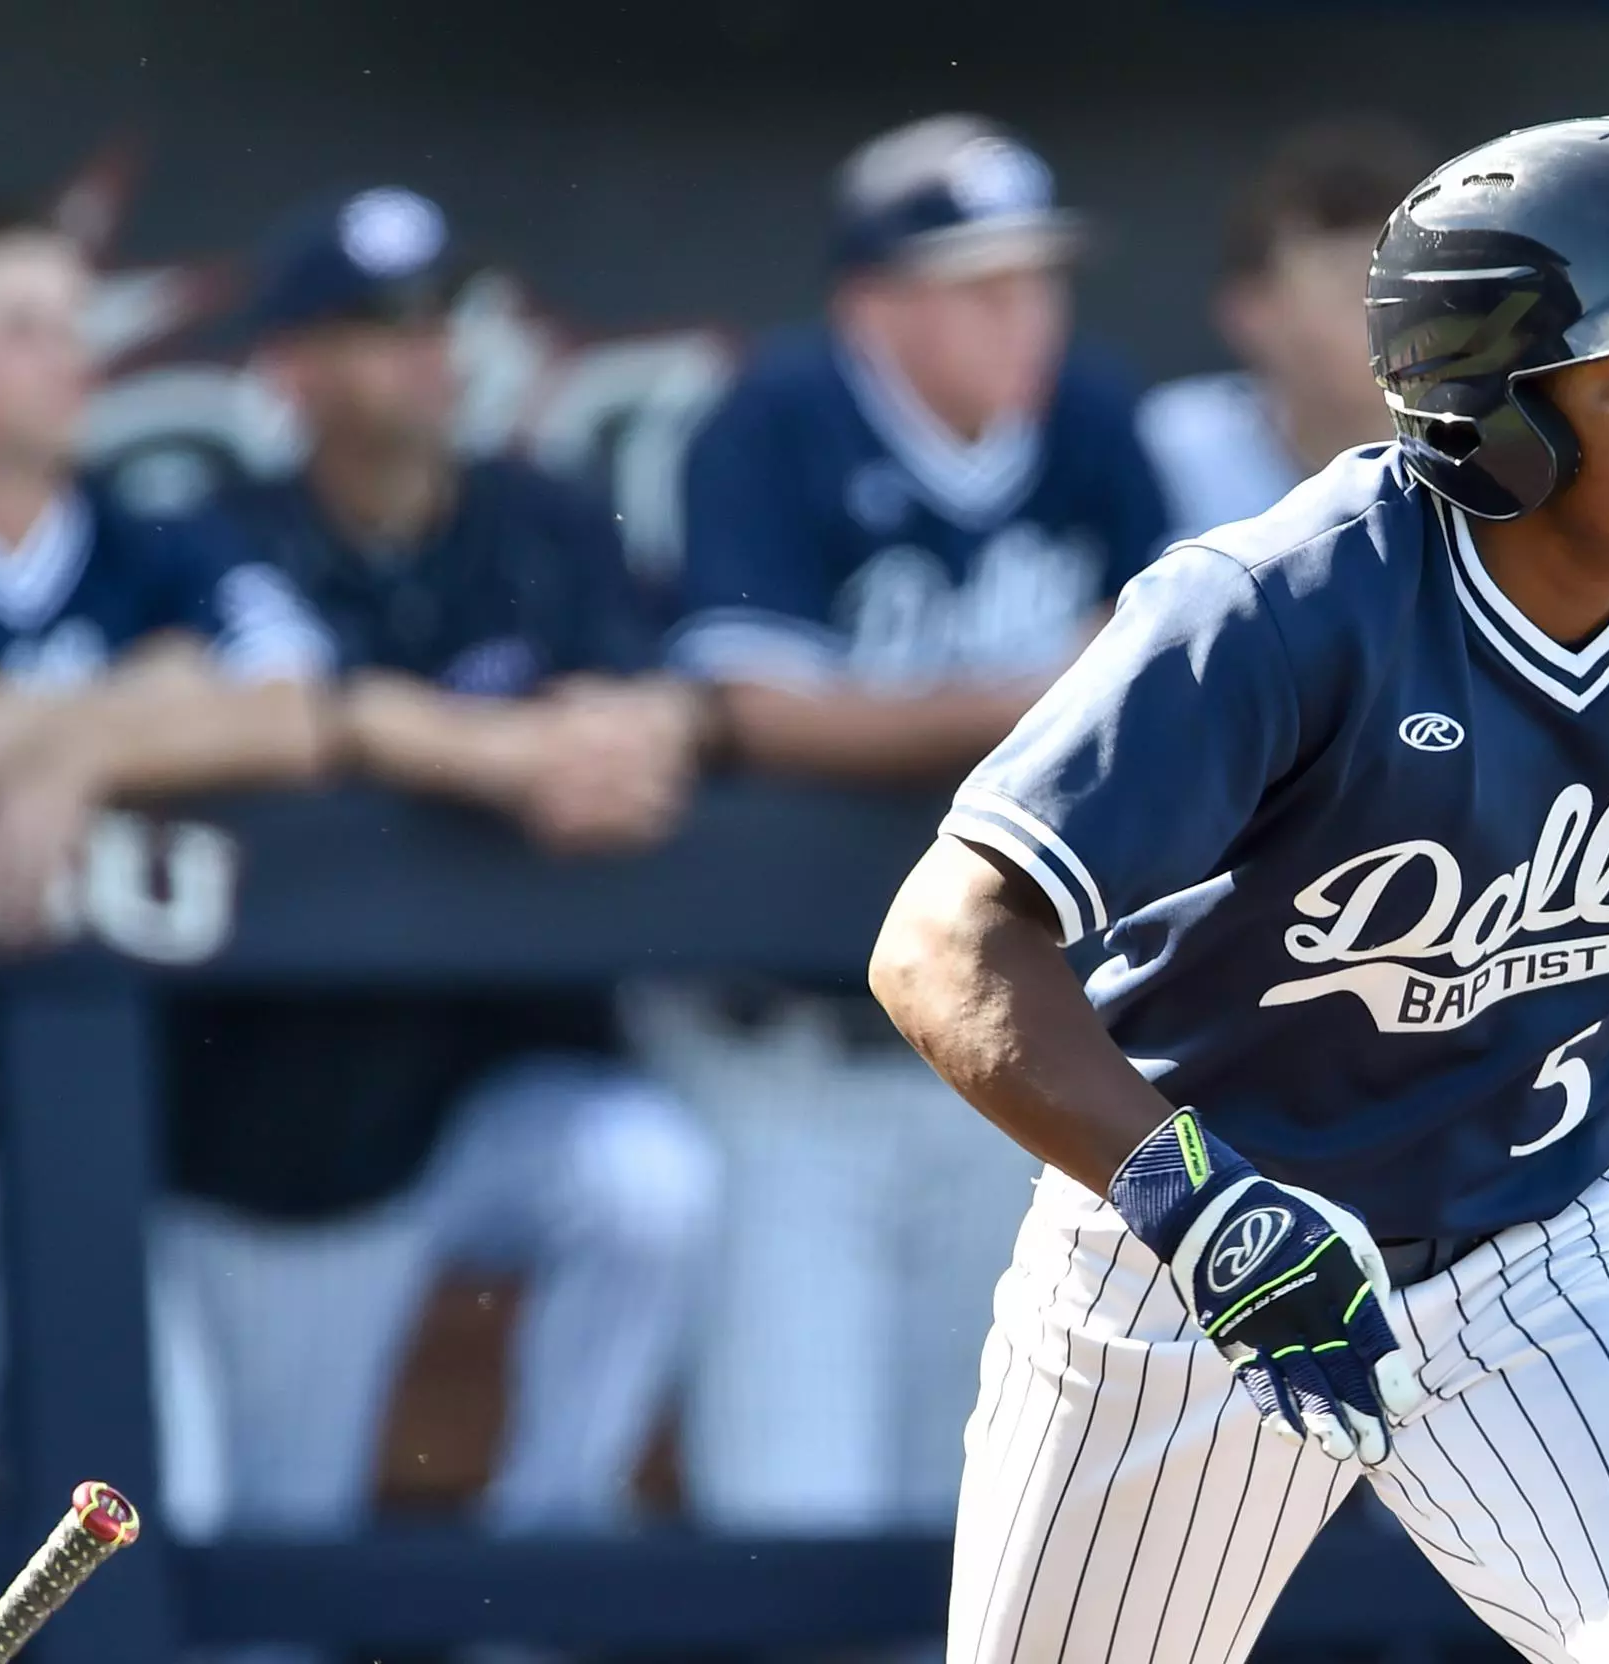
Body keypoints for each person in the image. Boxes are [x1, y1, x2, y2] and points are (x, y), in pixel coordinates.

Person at [872, 118, 1609, 1664]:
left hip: (1552, 1250)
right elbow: (944, 943)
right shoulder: (1287, 604)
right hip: (1188, 1267)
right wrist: (1204, 1212)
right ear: (1492, 415)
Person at [151, 186, 720, 1544]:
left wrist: (632, 732)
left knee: (651, 1185)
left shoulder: (544, 523)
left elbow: (654, 710)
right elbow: (293, 708)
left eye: (436, 318)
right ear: (290, 367)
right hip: (296, 1136)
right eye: (375, 324)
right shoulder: (221, 538)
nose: (424, 349)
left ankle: (543, 1565)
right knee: (279, 1551)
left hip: (499, 1083)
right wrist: (497, 759)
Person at [633, 112, 1171, 1532]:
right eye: (980, 286)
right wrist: (1043, 691)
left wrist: (975, 706)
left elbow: (1171, 681)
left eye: (1038, 280)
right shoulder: (775, 417)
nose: (1025, 318)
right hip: (788, 1057)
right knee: (794, 1512)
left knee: (997, 1511)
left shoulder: (1093, 419)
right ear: (875, 302)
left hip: (1013, 1053)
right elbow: (754, 708)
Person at [0, 200, 334, 1529]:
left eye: (75, 324)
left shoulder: (157, 540)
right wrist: (145, 702)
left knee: (158, 1509)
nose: (71, 357)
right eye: (23, 329)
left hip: (114, 1127)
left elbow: (292, 714)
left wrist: (66, 759)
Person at [1139, 118, 1431, 539]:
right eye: (1353, 287)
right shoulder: (1169, 450)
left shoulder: (1499, 457)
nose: (1397, 316)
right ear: (1248, 312)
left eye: (1413, 285)